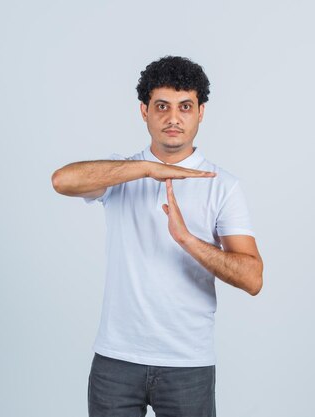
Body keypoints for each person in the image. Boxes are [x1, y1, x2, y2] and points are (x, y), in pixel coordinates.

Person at [51, 55, 264, 417]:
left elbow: (253, 278)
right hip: (116, 360)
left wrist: (188, 240)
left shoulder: (222, 186)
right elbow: (62, 181)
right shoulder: (121, 174)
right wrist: (149, 168)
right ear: (144, 111)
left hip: (187, 363)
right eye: (161, 106)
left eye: (185, 107)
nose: (173, 118)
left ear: (201, 112)